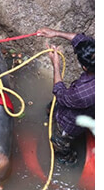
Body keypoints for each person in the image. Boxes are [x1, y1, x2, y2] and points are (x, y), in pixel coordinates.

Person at [37, 27, 95, 165]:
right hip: (78, 105)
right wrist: (55, 33)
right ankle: (51, 115)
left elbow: (60, 93)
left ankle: (69, 159)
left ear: (85, 68)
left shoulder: (83, 92)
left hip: (70, 122)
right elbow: (81, 40)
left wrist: (55, 65)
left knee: (59, 141)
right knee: (52, 107)